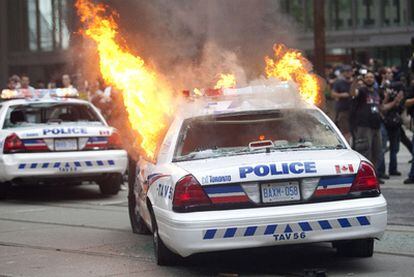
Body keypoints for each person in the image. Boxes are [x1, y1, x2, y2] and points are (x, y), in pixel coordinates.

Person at [350, 71, 383, 169]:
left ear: (374, 79)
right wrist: (355, 80)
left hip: (376, 126)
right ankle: (364, 175)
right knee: (365, 152)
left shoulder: (376, 92)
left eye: (371, 77)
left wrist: (395, 101)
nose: (369, 79)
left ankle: (374, 174)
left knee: (377, 152)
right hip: (364, 126)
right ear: (364, 79)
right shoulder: (361, 90)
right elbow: (352, 92)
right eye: (367, 77)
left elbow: (381, 107)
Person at [379, 67, 405, 177]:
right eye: (387, 73)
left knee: (394, 147)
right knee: (383, 147)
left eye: (390, 73)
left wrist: (399, 101)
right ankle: (381, 171)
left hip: (395, 120)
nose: (390, 74)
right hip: (384, 120)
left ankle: (393, 169)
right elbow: (382, 107)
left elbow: (400, 102)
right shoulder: (379, 88)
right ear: (382, 75)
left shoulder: (396, 85)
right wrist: (393, 100)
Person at [331, 65, 353, 142]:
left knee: (354, 131)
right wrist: (342, 95)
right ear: (343, 73)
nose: (348, 73)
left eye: (349, 71)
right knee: (345, 131)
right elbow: (333, 94)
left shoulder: (354, 82)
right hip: (343, 110)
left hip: (355, 110)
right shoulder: (339, 82)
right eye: (346, 72)